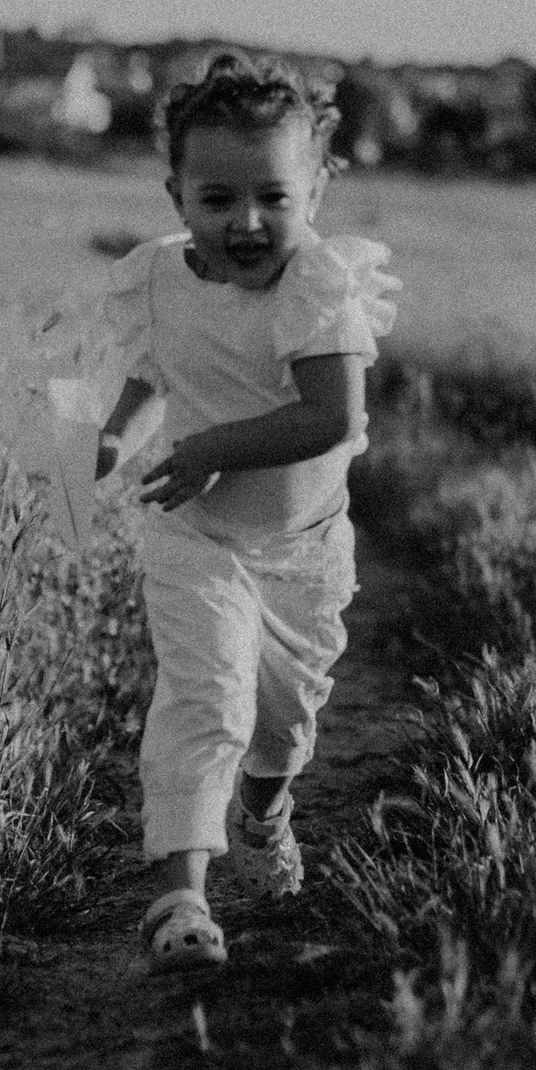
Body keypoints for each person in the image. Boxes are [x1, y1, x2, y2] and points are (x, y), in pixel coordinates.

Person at [95, 52, 399, 974]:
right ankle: (180, 894)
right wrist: (113, 438)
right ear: (176, 194)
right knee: (206, 696)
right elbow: (153, 374)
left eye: (274, 196)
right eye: (217, 198)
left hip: (301, 551)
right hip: (197, 537)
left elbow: (331, 417)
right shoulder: (154, 278)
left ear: (317, 189)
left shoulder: (316, 285)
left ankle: (266, 815)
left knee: (281, 723)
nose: (248, 221)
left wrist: (208, 452)